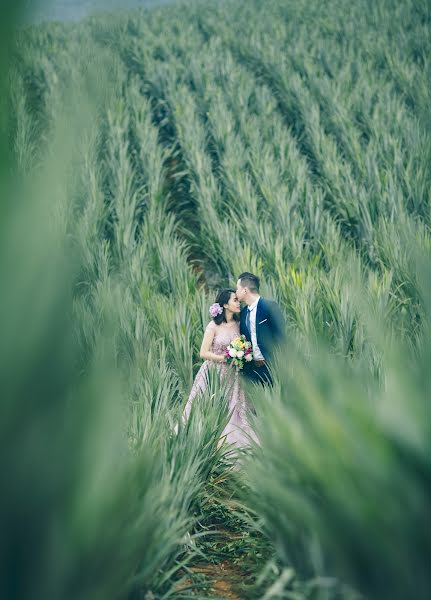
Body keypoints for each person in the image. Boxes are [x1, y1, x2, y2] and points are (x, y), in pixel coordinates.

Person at [180, 288, 256, 447]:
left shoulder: (239, 324)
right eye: (235, 300)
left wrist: (241, 354)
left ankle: (230, 443)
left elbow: (245, 344)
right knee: (210, 405)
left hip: (234, 375)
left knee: (234, 408)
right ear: (225, 305)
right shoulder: (213, 326)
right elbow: (203, 353)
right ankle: (204, 440)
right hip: (213, 373)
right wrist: (225, 358)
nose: (238, 302)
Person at [236, 272, 285, 386]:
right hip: (252, 371)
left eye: (237, 288)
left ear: (245, 290)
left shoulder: (270, 307)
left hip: (272, 367)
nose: (236, 292)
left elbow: (281, 337)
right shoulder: (243, 314)